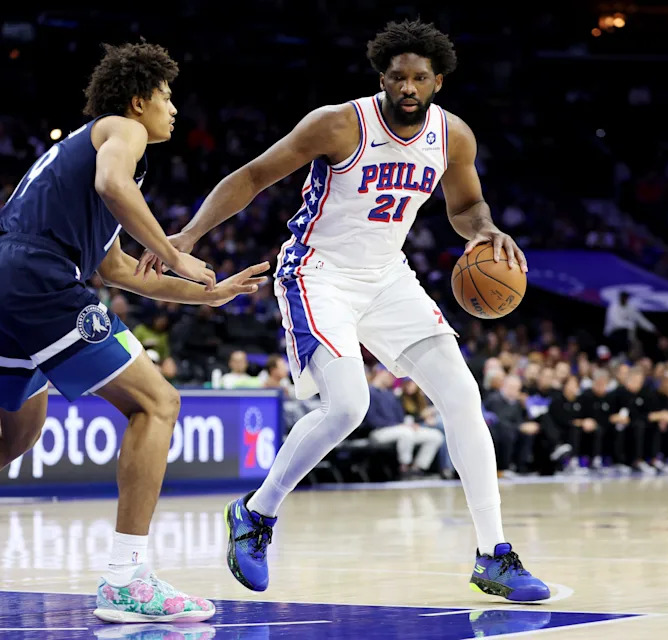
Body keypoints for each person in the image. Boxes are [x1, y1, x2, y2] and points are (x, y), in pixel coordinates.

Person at [0, 41, 267, 624]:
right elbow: (114, 187)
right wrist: (177, 255)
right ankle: (126, 579)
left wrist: (213, 290)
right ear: (138, 101)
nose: (174, 108)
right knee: (159, 403)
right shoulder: (119, 132)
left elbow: (123, 273)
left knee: (15, 436)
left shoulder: (77, 166)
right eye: (167, 96)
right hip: (37, 276)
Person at [168, 20, 548, 601]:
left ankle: (493, 555)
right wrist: (187, 237)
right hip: (316, 272)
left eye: (420, 77)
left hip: (388, 277)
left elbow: (467, 205)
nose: (409, 87)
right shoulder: (339, 123)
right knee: (348, 406)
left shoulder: (453, 137)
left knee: (464, 398)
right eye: (398, 76)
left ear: (438, 82)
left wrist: (485, 232)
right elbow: (252, 176)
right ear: (383, 78)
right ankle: (255, 513)